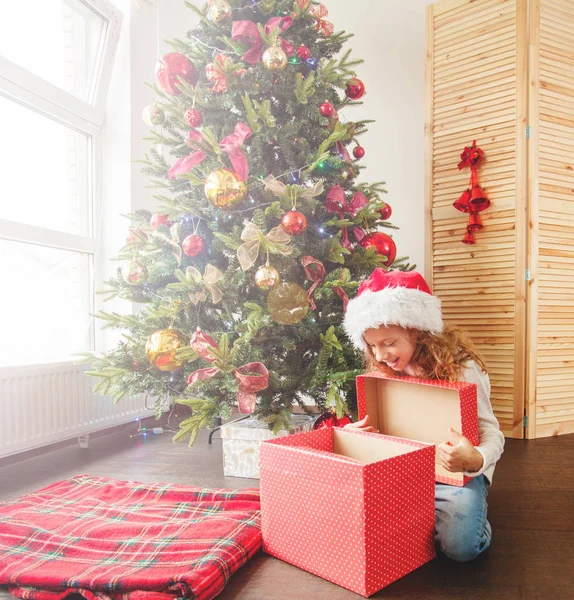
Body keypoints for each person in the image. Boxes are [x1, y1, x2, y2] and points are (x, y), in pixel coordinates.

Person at [342, 268, 504, 562]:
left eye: (389, 343)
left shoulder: (463, 367)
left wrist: (476, 459)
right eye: (372, 346)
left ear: (416, 330)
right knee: (349, 510)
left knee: (460, 547)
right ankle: (424, 515)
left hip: (454, 475)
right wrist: (357, 436)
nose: (379, 356)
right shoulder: (383, 369)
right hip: (402, 468)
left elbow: (492, 433)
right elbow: (380, 426)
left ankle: (472, 520)